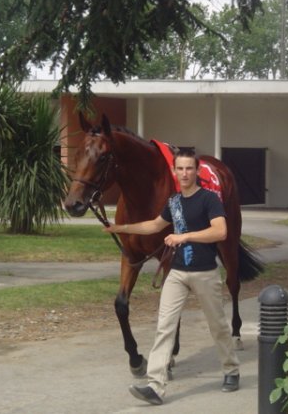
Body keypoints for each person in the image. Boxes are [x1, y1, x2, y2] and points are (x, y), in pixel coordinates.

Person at [104, 149, 240, 406]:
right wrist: (120, 228)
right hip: (177, 273)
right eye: (180, 169)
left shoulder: (209, 199)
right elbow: (154, 225)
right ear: (175, 171)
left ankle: (231, 370)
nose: (185, 173)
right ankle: (155, 385)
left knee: (218, 326)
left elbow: (220, 232)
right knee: (164, 326)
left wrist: (184, 236)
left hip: (204, 272)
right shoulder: (174, 202)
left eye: (189, 168)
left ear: (197, 171)